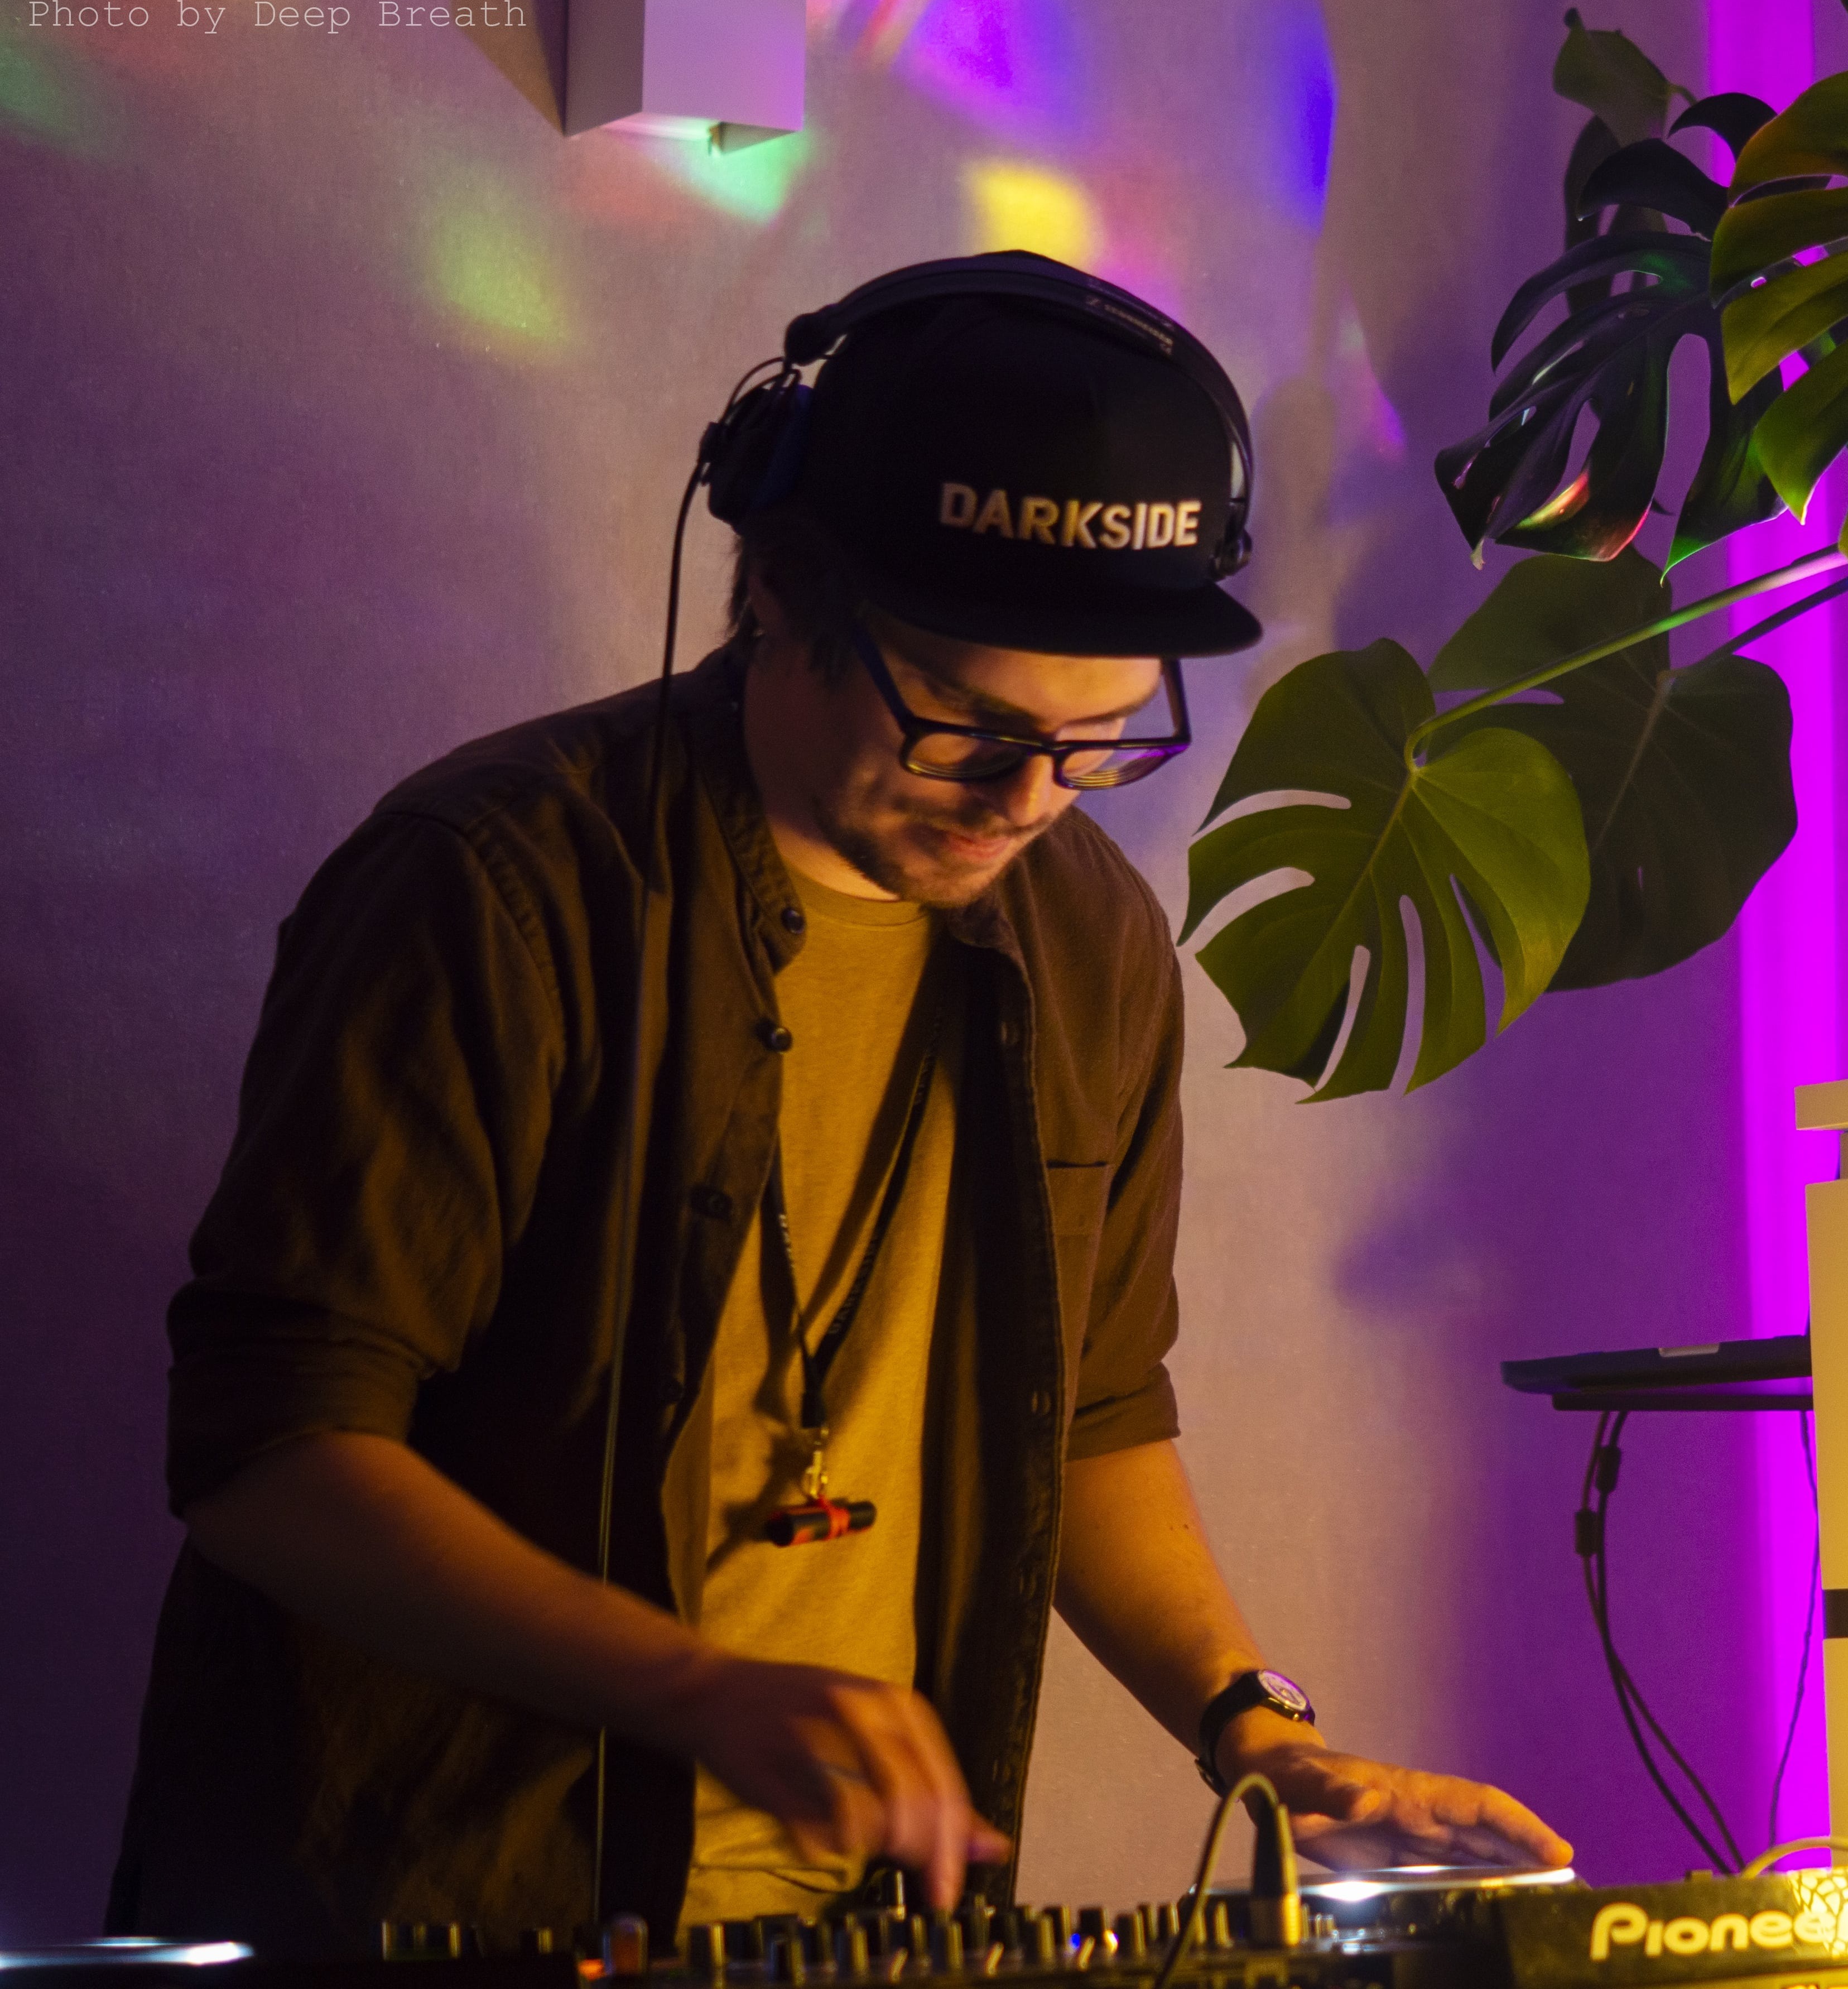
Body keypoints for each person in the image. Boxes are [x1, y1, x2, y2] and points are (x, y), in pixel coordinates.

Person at [106, 257, 1571, 1959]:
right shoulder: (495, 891)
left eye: (1100, 741)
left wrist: (1254, 1728)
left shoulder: (1088, 937)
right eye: (967, 728)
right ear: (786, 596)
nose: (1028, 801)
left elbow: (1093, 1412)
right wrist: (696, 1691)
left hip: (863, 1931)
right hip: (442, 1918)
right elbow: (271, 1453)